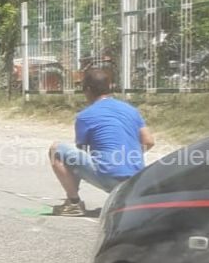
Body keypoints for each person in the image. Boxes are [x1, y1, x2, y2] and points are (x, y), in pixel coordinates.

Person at [48, 68, 155, 216]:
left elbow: (82, 150)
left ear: (88, 90)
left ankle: (74, 203)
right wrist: (129, 155)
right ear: (109, 87)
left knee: (56, 150)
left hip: (110, 178)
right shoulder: (130, 110)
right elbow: (149, 141)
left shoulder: (85, 116)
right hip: (134, 182)